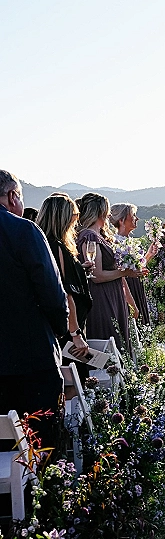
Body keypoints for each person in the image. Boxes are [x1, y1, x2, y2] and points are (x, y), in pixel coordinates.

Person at [0, 171, 68, 450]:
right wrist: (60, 332)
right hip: (29, 360)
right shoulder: (23, 231)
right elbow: (52, 294)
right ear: (13, 196)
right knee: (39, 445)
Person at [76, 193, 143, 352]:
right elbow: (97, 275)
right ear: (101, 212)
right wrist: (125, 272)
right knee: (110, 340)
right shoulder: (90, 236)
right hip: (102, 296)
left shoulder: (100, 235)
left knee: (119, 341)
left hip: (113, 293)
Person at [36, 193, 93, 364]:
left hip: (54, 323)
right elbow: (65, 292)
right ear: (64, 218)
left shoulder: (41, 243)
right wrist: (76, 334)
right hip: (68, 326)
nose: (77, 220)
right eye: (75, 215)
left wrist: (79, 270)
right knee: (74, 378)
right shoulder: (57, 247)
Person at [110, 203, 157, 325]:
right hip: (126, 288)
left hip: (136, 286)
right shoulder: (115, 243)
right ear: (122, 220)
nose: (137, 218)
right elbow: (121, 271)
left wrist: (148, 255)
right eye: (133, 215)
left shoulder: (130, 241)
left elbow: (136, 268)